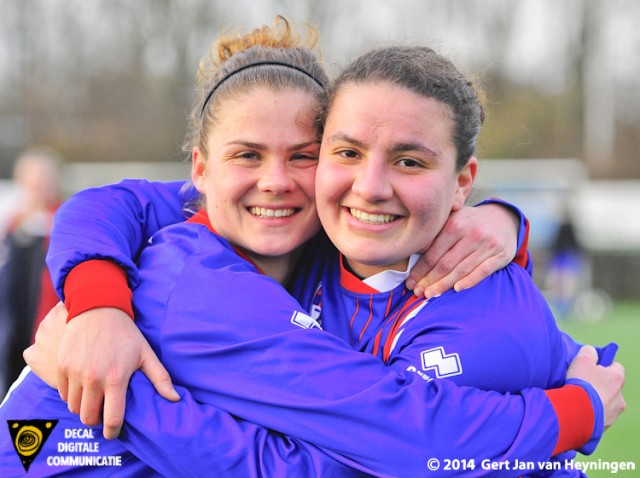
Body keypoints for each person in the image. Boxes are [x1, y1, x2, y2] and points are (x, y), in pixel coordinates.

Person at [2, 19, 624, 478]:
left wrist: (501, 221)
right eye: (246, 156)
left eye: (303, 156)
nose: (275, 181)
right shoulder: (187, 274)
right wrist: (97, 303)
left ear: (463, 180)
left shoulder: (325, 246)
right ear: (200, 172)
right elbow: (385, 439)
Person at [0, 147, 62, 397]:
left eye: (44, 177)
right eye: (32, 178)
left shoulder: (65, 219)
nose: (38, 184)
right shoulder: (14, 222)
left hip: (47, 321)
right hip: (15, 322)